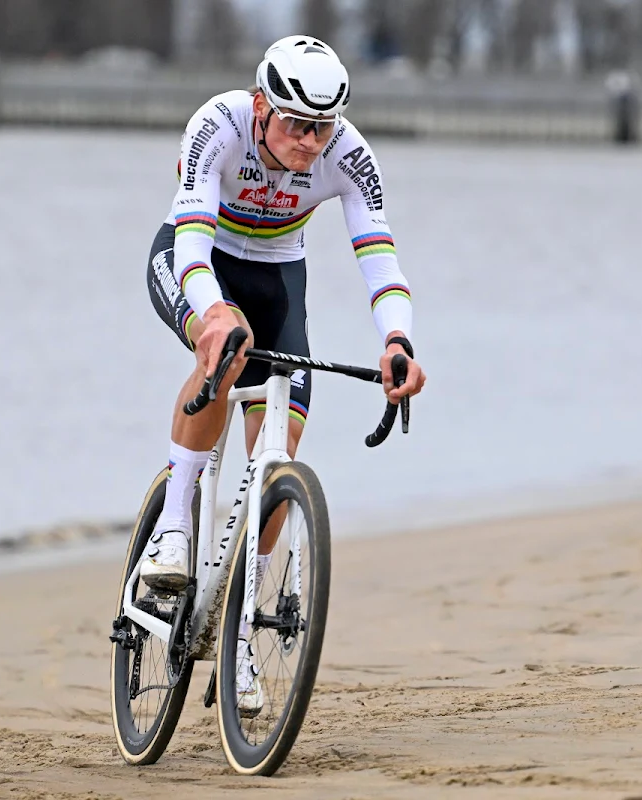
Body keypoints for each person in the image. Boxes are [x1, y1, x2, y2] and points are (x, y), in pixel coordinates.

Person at [141, 36, 426, 712]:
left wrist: (398, 340)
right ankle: (174, 522)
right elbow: (189, 237)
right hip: (196, 259)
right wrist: (211, 314)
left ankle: (240, 634)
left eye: (322, 127)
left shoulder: (348, 155)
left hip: (278, 279)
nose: (309, 142)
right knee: (227, 350)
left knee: (280, 447)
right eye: (297, 124)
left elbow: (379, 256)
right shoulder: (219, 125)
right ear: (262, 106)